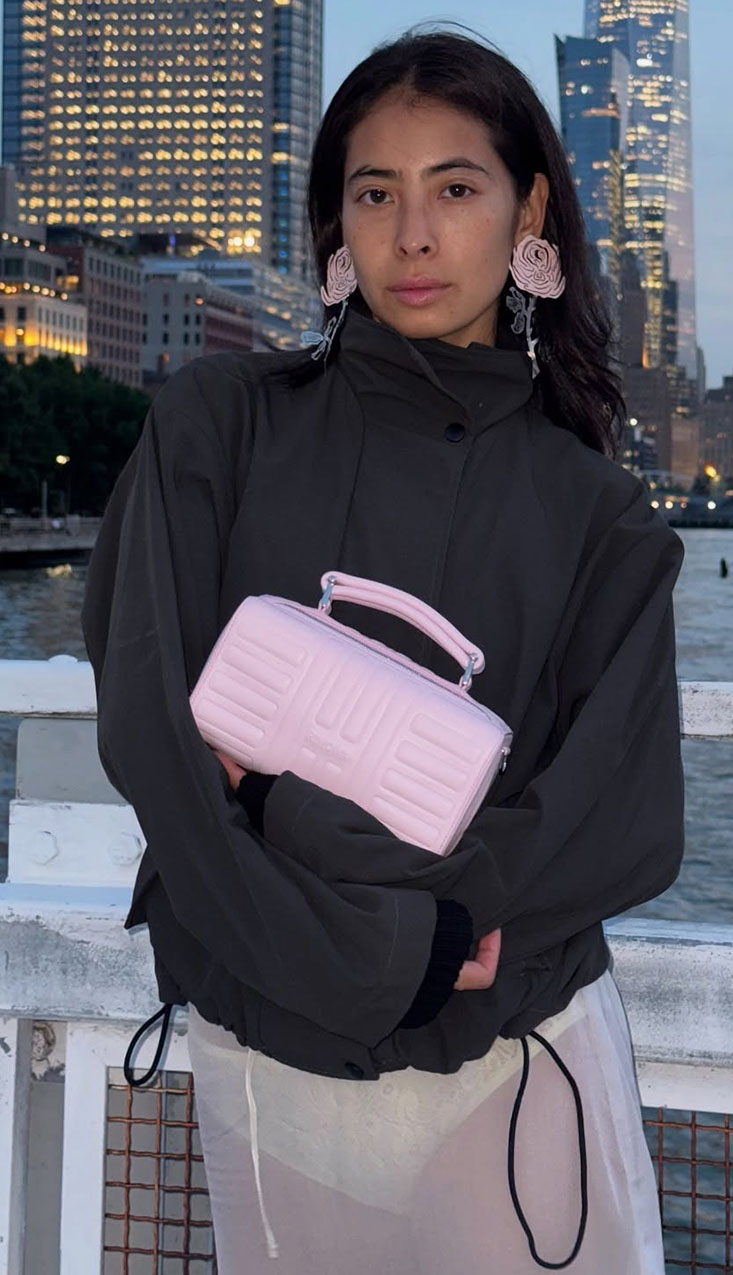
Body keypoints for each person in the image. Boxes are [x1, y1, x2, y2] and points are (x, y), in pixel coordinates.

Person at [80, 26, 686, 1274]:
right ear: (334, 229)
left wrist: (308, 835)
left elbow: (619, 816)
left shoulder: (598, 516)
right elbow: (152, 731)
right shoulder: (214, 427)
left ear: (528, 212)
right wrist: (389, 950)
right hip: (266, 1059)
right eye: (375, 193)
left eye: (454, 190)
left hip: (511, 1067)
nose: (413, 236)